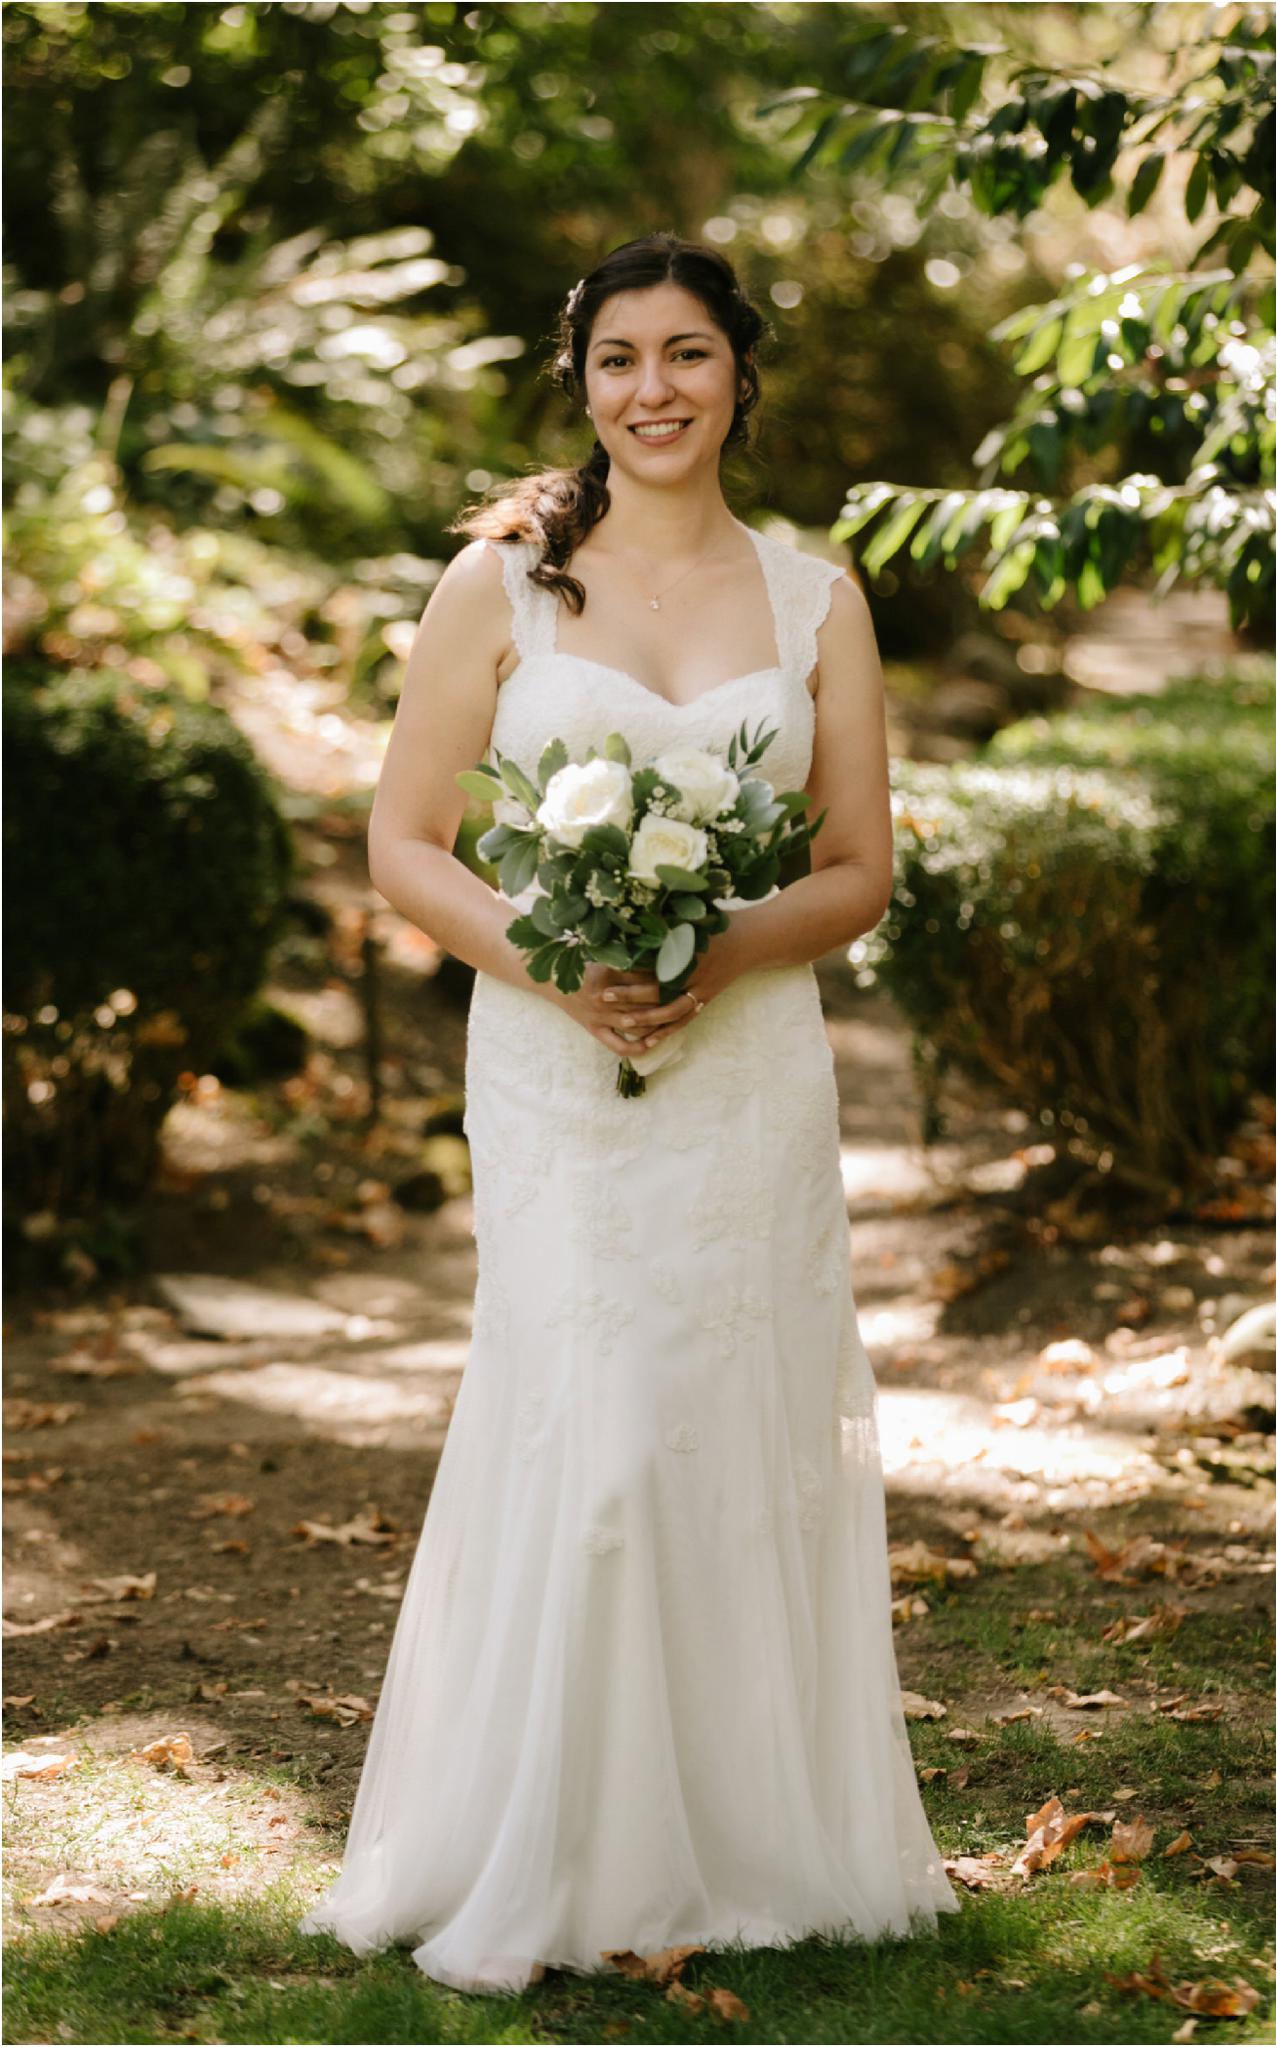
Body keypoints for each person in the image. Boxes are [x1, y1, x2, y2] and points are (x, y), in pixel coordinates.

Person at [299, 230, 959, 1994]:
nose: (651, 390)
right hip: (552, 1062)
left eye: (685, 354)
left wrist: (719, 946)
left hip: (745, 1064)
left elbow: (857, 867)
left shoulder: (816, 601)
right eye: (616, 360)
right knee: (589, 1424)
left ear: (738, 374)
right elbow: (404, 842)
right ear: (579, 384)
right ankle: (553, 1841)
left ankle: (748, 1840)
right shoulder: (502, 586)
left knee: (728, 1415)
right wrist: (555, 960)